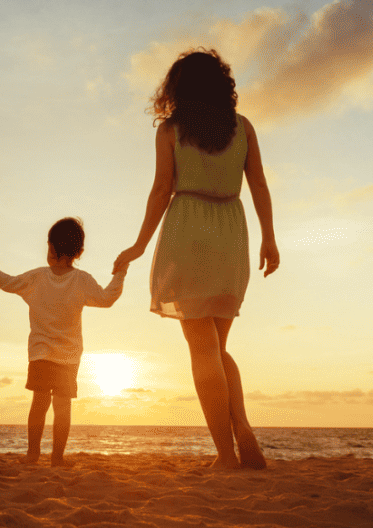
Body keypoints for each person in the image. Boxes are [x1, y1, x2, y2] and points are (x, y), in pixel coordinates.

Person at [114, 48, 278, 469]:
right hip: (230, 233)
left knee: (203, 350)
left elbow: (160, 191)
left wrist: (137, 245)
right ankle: (242, 428)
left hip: (188, 231)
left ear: (179, 89)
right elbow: (258, 184)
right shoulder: (243, 127)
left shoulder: (171, 131)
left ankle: (226, 453)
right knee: (219, 349)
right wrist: (269, 239)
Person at [0, 218, 126, 467]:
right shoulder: (82, 280)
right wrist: (120, 273)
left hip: (40, 353)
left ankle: (32, 454)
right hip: (68, 357)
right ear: (79, 252)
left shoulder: (37, 278)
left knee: (39, 403)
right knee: (62, 407)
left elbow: (6, 282)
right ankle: (57, 457)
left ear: (49, 246)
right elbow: (107, 298)